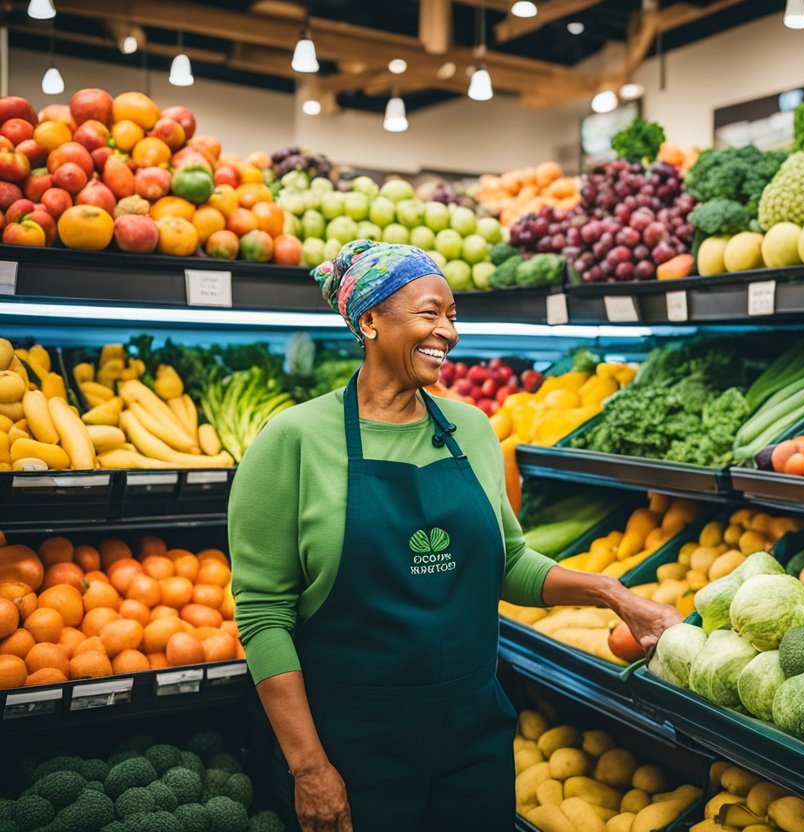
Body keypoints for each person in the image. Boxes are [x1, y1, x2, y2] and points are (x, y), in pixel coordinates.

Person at [228, 240, 681, 832]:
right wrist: (309, 768)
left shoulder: (471, 427)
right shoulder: (293, 440)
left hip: (473, 738)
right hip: (355, 745)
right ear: (369, 321)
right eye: (429, 313)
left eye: (453, 316)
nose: (447, 331)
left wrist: (614, 594)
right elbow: (264, 616)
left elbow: (508, 561)